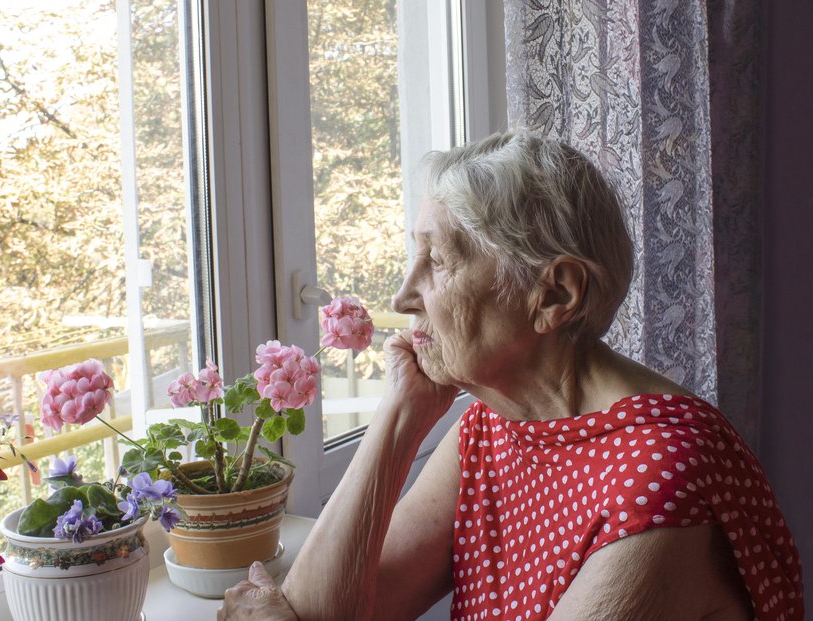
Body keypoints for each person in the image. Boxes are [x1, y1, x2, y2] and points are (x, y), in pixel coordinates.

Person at [217, 131, 804, 621]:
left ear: (554, 293)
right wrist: (401, 414)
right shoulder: (493, 427)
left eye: (438, 261)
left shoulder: (664, 472)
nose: (403, 295)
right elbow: (328, 613)